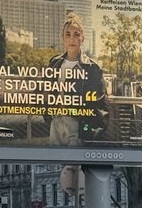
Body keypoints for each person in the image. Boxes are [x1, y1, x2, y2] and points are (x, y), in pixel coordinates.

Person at [47, 12, 109, 146]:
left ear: (82, 38)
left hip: (77, 126)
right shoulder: (54, 63)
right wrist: (49, 115)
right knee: (55, 164)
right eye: (68, 35)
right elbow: (45, 94)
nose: (72, 39)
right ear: (62, 38)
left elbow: (99, 104)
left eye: (76, 35)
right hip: (56, 123)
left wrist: (89, 129)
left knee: (72, 166)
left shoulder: (92, 67)